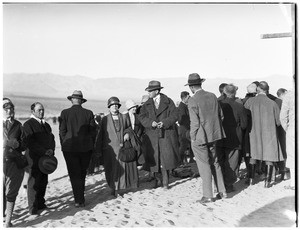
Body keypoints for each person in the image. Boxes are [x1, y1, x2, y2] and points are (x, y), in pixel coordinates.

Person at [185, 73, 226, 204]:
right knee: (215, 162)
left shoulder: (192, 100)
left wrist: (192, 138)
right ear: (201, 84)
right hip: (214, 135)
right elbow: (221, 116)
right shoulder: (212, 96)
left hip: (200, 137)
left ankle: (208, 195)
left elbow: (195, 123)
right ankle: (222, 191)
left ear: (191, 87)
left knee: (204, 165)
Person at [138, 80, 180, 190]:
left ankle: (165, 182)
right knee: (154, 160)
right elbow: (141, 117)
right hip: (152, 136)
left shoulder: (168, 101)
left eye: (150, 91)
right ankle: (157, 180)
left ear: (156, 91)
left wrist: (165, 122)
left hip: (166, 135)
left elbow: (175, 115)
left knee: (165, 159)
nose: (149, 93)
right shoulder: (146, 104)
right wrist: (150, 123)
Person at [59, 90, 96, 207]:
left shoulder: (65, 113)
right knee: (82, 173)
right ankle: (81, 199)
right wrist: (89, 143)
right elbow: (93, 132)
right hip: (85, 148)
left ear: (72, 100)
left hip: (69, 149)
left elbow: (62, 131)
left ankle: (78, 200)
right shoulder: (89, 113)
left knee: (73, 174)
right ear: (81, 101)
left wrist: (64, 143)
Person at [95, 97, 138, 197]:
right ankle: (112, 188)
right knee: (110, 170)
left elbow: (129, 128)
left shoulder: (124, 117)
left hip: (122, 148)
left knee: (122, 170)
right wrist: (97, 149)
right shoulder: (105, 119)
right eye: (112, 105)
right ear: (109, 107)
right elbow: (100, 135)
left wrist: (127, 133)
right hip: (109, 150)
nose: (114, 106)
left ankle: (119, 189)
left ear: (118, 106)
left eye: (116, 105)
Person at [244, 83, 285, 188]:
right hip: (269, 133)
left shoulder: (249, 102)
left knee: (253, 155)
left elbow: (245, 118)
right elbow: (278, 122)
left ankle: (251, 179)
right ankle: (267, 182)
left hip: (253, 133)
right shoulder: (272, 103)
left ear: (257, 90)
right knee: (269, 157)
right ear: (267, 90)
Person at [23, 102, 55, 215]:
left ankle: (41, 204)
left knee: (43, 181)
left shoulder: (46, 125)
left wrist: (51, 149)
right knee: (33, 183)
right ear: (32, 112)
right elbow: (30, 143)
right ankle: (32, 209)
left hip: (45, 160)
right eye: (39, 110)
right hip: (33, 159)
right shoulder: (28, 125)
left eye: (42, 110)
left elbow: (52, 139)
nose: (41, 112)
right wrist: (44, 151)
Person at [216, 84, 248, 193]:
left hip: (219, 137)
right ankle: (228, 185)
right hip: (234, 139)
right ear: (235, 93)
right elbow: (244, 124)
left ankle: (219, 185)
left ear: (224, 92)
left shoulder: (218, 104)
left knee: (220, 161)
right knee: (232, 163)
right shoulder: (239, 106)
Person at [3, 98, 26, 227]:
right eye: (6, 109)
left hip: (14, 161)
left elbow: (24, 144)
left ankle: (8, 221)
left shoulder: (18, 125)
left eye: (11, 108)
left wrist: (18, 145)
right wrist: (6, 143)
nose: (9, 111)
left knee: (11, 191)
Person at [280, 89, 295, 190]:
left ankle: (294, 183)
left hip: (294, 128)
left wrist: (288, 129)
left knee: (292, 155)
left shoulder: (289, 95)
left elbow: (283, 117)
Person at [125, 99, 144, 167]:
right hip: (129, 139)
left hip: (137, 138)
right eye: (133, 107)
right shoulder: (124, 117)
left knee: (138, 151)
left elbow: (141, 126)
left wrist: (138, 134)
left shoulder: (138, 116)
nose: (135, 108)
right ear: (129, 108)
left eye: (135, 107)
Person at [177, 91, 193, 164]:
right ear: (185, 97)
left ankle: (190, 159)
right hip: (184, 129)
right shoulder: (182, 107)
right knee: (183, 146)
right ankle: (180, 161)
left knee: (189, 144)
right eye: (188, 97)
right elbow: (181, 119)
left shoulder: (184, 106)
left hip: (186, 128)